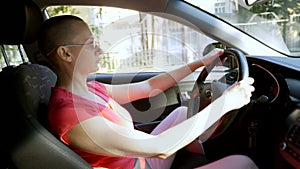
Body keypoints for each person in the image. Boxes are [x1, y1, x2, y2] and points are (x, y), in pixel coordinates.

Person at [38, 15, 257, 169]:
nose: (100, 50)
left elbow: (149, 87)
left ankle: (209, 158)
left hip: (139, 161)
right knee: (243, 163)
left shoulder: (91, 88)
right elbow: (160, 147)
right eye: (90, 44)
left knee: (182, 114)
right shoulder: (70, 115)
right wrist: (225, 103)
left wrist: (199, 63)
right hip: (142, 162)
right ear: (65, 54)